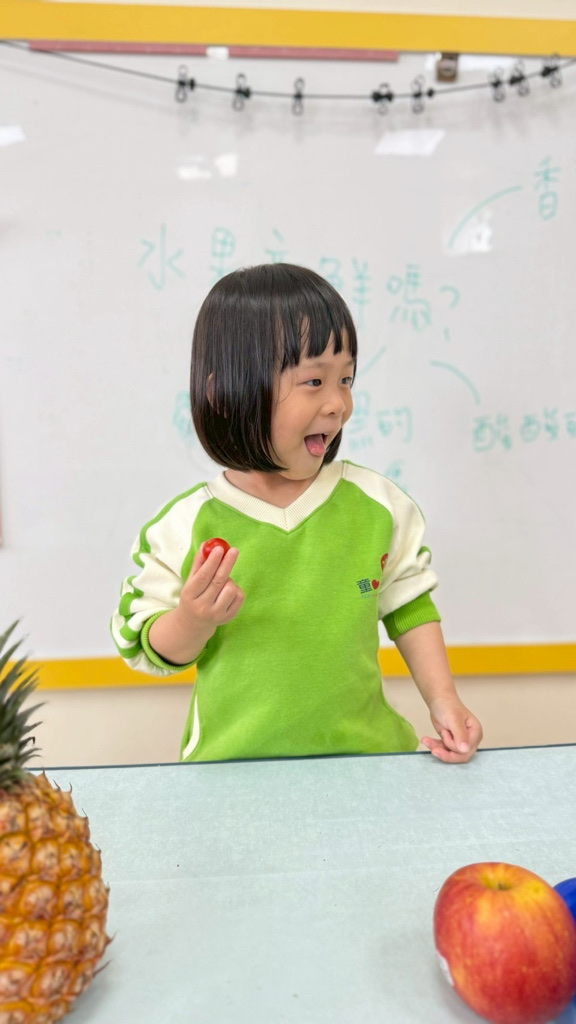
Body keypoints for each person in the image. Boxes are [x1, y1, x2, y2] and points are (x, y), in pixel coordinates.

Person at [111, 264, 483, 764]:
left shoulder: (378, 505)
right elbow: (146, 647)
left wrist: (444, 700)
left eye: (345, 379)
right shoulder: (183, 525)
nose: (338, 404)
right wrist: (191, 621)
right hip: (231, 775)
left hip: (369, 763)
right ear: (224, 393)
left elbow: (409, 605)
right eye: (314, 380)